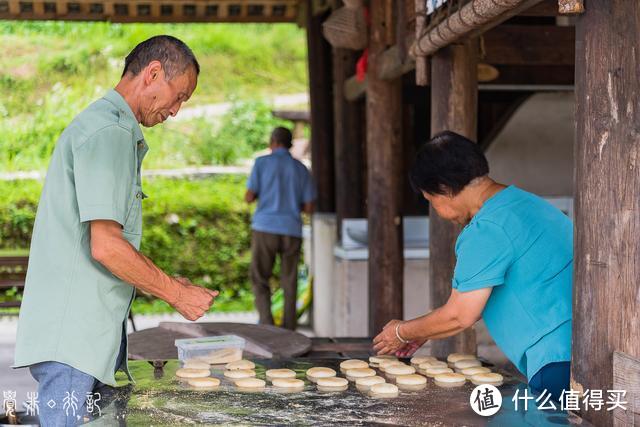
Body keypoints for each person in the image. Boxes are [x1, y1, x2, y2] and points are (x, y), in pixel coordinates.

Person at [13, 36, 218, 426]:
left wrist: (171, 281)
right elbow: (106, 245)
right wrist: (177, 294)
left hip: (81, 340)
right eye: (179, 97)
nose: (175, 111)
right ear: (153, 73)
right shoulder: (110, 132)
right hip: (73, 343)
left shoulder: (105, 125)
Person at [373, 131, 573, 400]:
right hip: (580, 346)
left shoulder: (486, 229)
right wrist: (424, 330)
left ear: (443, 188)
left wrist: (401, 332)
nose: (437, 211)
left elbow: (461, 315)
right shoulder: (526, 203)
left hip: (556, 358)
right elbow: (479, 299)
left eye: (431, 201)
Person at [245, 127, 316, 330]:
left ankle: (267, 325)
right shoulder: (301, 168)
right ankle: (289, 327)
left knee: (260, 277)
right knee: (290, 280)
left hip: (265, 227)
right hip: (291, 229)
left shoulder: (261, 163)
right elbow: (310, 207)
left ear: (273, 141)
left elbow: (249, 197)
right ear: (290, 144)